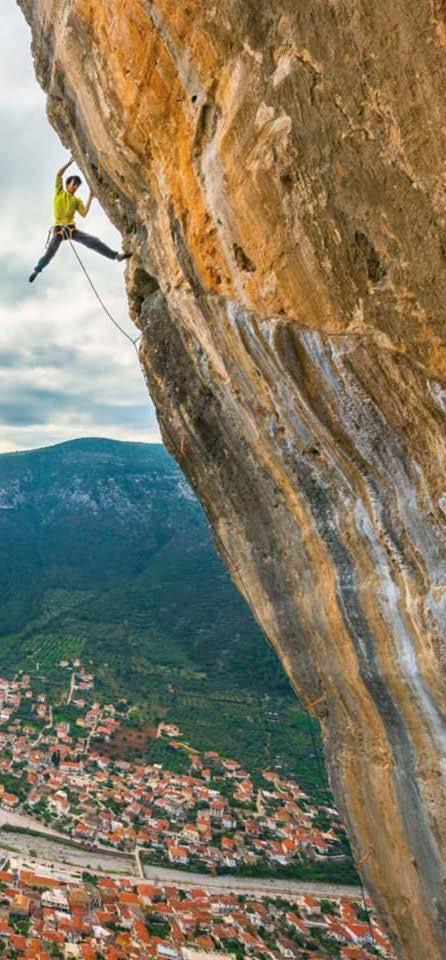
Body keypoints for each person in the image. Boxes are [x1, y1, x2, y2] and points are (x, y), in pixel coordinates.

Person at [29, 158, 131, 282]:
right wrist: (69, 162)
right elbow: (59, 174)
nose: (75, 187)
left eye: (77, 185)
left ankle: (116, 256)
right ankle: (37, 270)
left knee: (93, 241)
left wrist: (90, 197)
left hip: (71, 230)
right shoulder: (59, 192)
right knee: (50, 252)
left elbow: (84, 213)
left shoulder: (76, 201)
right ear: (67, 185)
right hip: (59, 230)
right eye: (73, 184)